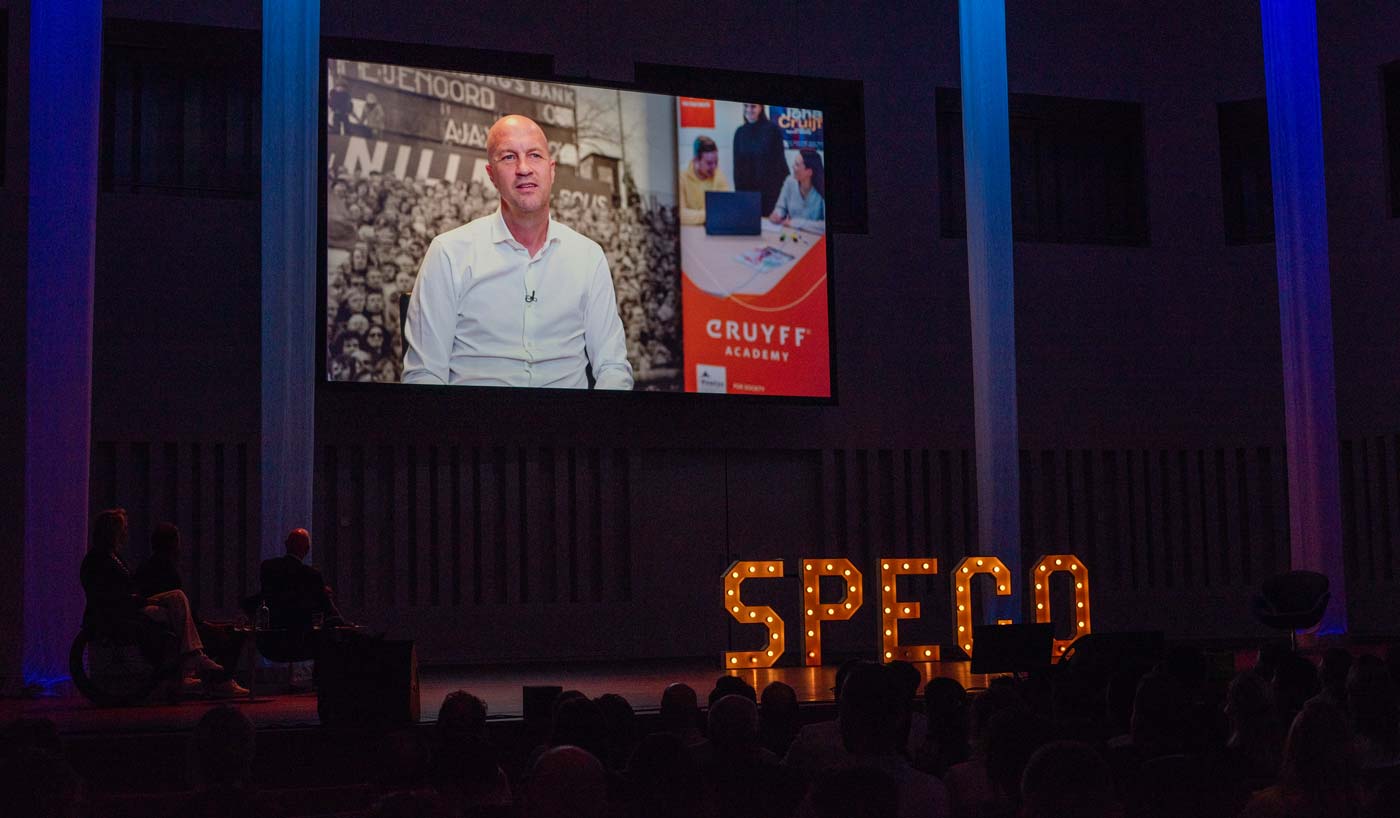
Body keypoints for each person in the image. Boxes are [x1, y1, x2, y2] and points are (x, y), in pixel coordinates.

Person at [402, 115, 633, 389]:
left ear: (551, 169)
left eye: (534, 155)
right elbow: (424, 374)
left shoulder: (588, 256)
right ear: (491, 176)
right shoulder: (449, 253)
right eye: (509, 157)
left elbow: (612, 367)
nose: (524, 168)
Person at [79, 508, 245, 696]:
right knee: (177, 599)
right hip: (120, 610)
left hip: (131, 604)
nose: (126, 533)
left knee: (175, 599)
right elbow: (109, 593)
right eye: (123, 529)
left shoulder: (114, 558)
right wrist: (138, 599)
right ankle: (193, 658)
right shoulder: (98, 560)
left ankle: (191, 659)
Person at [258, 528, 343, 632]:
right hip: (302, 637)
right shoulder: (312, 575)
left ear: (286, 544)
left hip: (272, 635)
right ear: (307, 549)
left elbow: (265, 595)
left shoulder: (268, 567)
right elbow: (326, 609)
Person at [732, 104, 790, 215]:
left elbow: (780, 165)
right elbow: (737, 169)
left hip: (770, 195)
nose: (749, 110)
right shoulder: (739, 133)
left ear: (761, 108)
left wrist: (783, 199)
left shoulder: (772, 130)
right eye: (745, 106)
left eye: (753, 106)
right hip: (747, 195)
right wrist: (739, 197)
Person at [768, 148, 826, 234]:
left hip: (815, 239)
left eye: (797, 165)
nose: (793, 167)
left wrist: (794, 223)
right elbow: (781, 207)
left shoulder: (822, 188)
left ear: (809, 172)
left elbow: (824, 226)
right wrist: (777, 214)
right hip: (792, 235)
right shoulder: (789, 182)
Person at [678, 135, 731, 226]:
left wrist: (695, 216)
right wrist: (710, 215)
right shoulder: (681, 178)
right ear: (696, 161)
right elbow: (680, 214)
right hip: (689, 232)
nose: (714, 167)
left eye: (716, 162)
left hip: (713, 232)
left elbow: (726, 210)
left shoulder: (719, 176)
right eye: (709, 163)